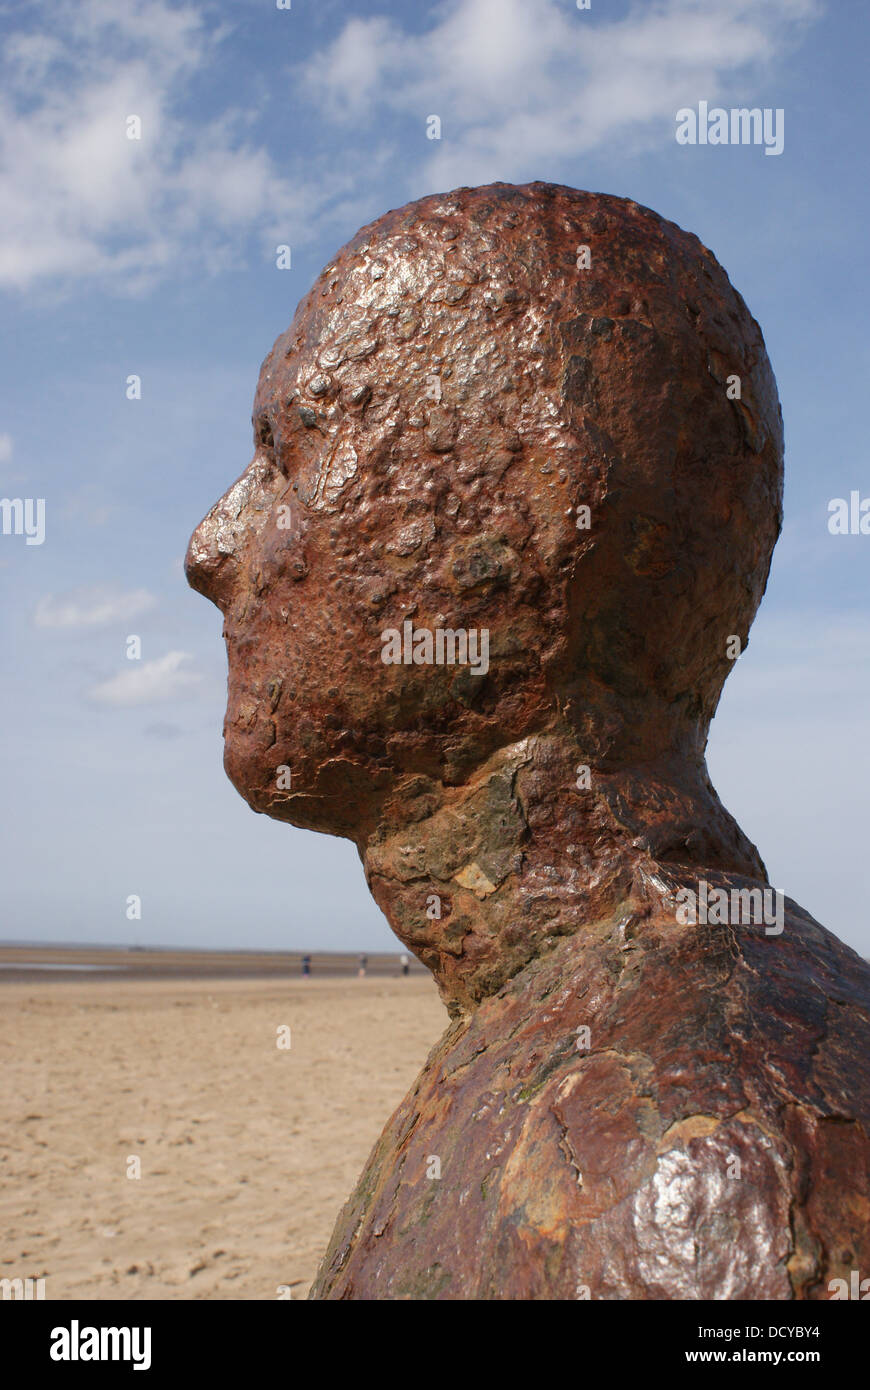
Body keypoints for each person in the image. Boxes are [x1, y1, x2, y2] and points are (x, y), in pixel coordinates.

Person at [187, 181, 870, 1300]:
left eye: (285, 459)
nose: (211, 545)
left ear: (540, 508)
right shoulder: (545, 1045)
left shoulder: (703, 1173)